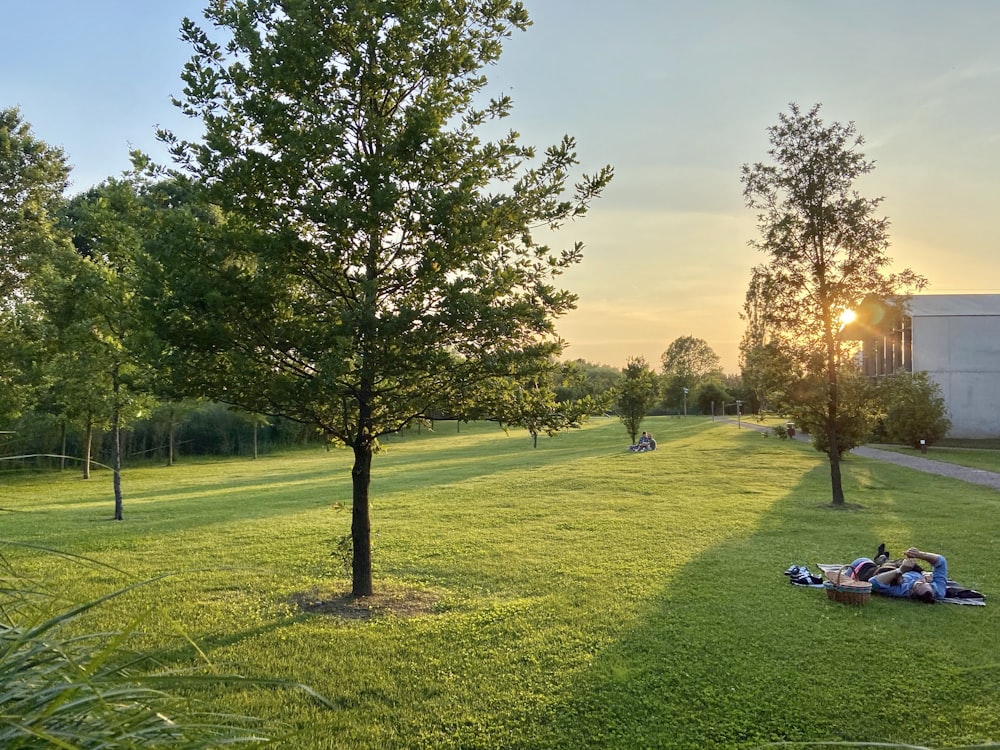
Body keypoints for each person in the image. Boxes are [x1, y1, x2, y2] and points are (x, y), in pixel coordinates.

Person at [867, 547, 948, 603]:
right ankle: (883, 559)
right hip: (909, 569)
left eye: (919, 584)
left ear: (913, 591)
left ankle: (882, 560)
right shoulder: (938, 590)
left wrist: (901, 570)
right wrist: (919, 554)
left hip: (870, 568)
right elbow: (941, 561)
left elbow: (873, 583)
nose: (922, 580)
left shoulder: (901, 590)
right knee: (900, 562)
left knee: (885, 566)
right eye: (926, 583)